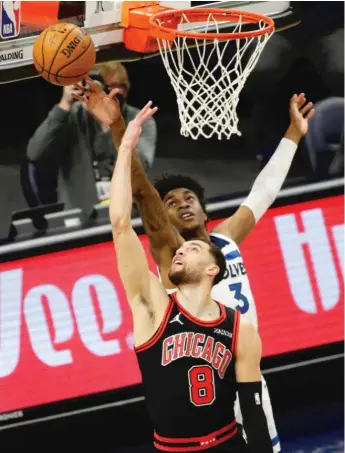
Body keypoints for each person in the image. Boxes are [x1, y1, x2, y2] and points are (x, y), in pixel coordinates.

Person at [75, 82, 314, 453]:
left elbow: (263, 192)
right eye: (171, 203)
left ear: (204, 210)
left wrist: (293, 135)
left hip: (245, 368)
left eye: (189, 198)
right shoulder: (172, 252)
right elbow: (141, 194)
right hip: (206, 384)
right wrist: (120, 127)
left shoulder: (226, 239)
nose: (182, 205)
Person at [109, 101, 274, 452]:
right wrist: (124, 146)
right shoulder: (153, 308)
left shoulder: (240, 330)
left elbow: (253, 412)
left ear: (214, 269)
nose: (181, 250)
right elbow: (121, 223)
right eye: (180, 250)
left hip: (228, 443)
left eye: (193, 250)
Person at [26, 62, 157, 214]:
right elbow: (35, 153)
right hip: (81, 215)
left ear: (125, 90)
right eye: (100, 86)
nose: (105, 93)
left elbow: (141, 166)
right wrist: (65, 103)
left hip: (128, 212)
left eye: (114, 86)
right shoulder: (73, 116)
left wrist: (113, 124)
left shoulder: (141, 119)